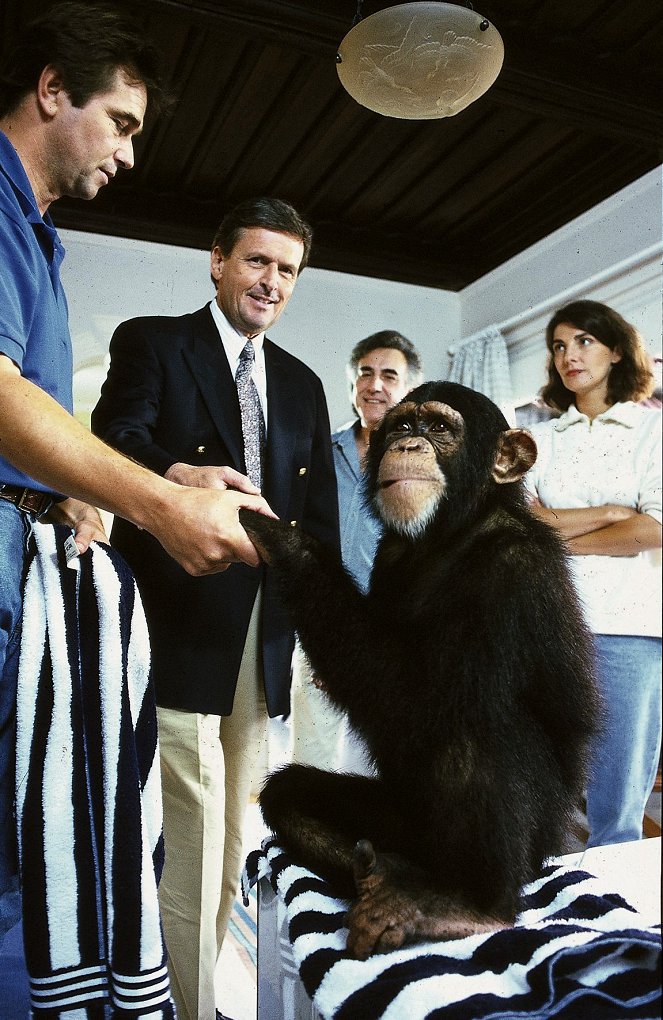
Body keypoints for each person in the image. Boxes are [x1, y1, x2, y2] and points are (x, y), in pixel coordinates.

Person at [0, 0, 273, 954]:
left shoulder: (38, 239)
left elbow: (30, 418)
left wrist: (77, 489)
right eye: (120, 122)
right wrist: (158, 502)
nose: (127, 153)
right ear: (50, 88)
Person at [91, 196, 339, 1020]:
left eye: (287, 270)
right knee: (191, 832)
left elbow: (321, 527)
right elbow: (111, 443)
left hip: (263, 640)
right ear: (219, 260)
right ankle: (188, 1007)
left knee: (237, 833)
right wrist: (178, 476)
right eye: (258, 261)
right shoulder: (155, 341)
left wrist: (321, 628)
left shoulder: (303, 385)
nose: (271, 282)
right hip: (174, 621)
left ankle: (201, 973)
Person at [525, 300, 661, 847]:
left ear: (616, 350)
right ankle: (548, 900)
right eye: (559, 346)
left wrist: (566, 537)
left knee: (618, 792)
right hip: (551, 625)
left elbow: (656, 528)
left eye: (583, 341)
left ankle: (614, 915)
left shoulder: (651, 431)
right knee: (544, 775)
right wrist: (611, 514)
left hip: (631, 624)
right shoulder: (542, 439)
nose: (568, 356)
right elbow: (528, 525)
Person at [290, 330, 422, 773]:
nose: (375, 384)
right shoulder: (320, 453)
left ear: (409, 391)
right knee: (313, 762)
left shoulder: (423, 469)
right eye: (365, 373)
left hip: (395, 642)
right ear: (352, 385)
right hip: (321, 633)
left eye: (389, 375)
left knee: (379, 772)